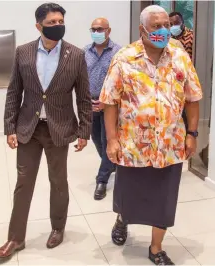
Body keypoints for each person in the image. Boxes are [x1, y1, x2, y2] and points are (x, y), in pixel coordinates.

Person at [100, 5, 202, 265]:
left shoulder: (180, 56)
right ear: (141, 29)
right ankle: (123, 218)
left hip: (170, 144)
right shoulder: (125, 57)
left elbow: (192, 98)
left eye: (166, 24)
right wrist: (112, 139)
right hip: (133, 144)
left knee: (165, 199)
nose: (163, 30)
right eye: (156, 26)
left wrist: (192, 133)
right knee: (129, 194)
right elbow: (110, 102)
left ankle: (156, 247)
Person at [0, 3, 92, 259]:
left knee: (58, 181)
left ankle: (57, 228)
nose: (58, 25)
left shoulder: (76, 55)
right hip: (29, 128)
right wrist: (9, 127)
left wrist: (84, 131)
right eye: (51, 22)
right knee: (23, 183)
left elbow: (83, 97)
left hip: (59, 129)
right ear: (38, 26)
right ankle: (15, 239)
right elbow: (14, 91)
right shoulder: (23, 52)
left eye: (60, 20)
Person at [84, 18, 121, 200]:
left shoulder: (119, 52)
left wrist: (106, 102)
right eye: (94, 29)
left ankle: (102, 180)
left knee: (108, 140)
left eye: (101, 29)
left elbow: (123, 82)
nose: (97, 32)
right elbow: (80, 78)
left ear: (109, 30)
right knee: (96, 140)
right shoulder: (85, 52)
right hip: (90, 103)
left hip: (111, 105)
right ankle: (110, 164)